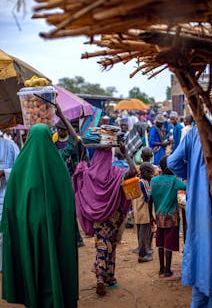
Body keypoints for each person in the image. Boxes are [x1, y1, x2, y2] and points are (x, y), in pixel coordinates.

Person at [1, 124, 78, 308]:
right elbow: (67, 202)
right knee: (53, 261)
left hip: (27, 228)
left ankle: (33, 298)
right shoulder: (57, 163)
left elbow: (12, 203)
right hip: (54, 227)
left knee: (31, 262)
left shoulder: (20, 165)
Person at [167, 95, 212, 307]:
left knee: (200, 254)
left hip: (196, 207)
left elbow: (172, 161)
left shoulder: (195, 133)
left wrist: (193, 178)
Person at [73, 142, 137, 296]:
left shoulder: (88, 174)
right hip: (113, 217)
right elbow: (134, 171)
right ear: (110, 158)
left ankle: (105, 276)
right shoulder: (116, 173)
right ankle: (106, 277)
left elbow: (78, 172)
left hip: (97, 218)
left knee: (102, 244)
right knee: (111, 244)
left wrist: (83, 151)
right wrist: (126, 152)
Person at [149, 156, 186, 280]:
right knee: (168, 244)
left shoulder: (154, 180)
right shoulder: (173, 180)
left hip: (159, 217)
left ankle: (161, 268)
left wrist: (150, 216)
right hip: (171, 217)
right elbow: (186, 186)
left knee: (160, 243)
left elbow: (150, 200)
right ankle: (168, 271)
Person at [53, 105, 85, 247]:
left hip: (70, 179)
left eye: (62, 128)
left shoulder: (68, 146)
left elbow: (76, 139)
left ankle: (77, 237)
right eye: (58, 128)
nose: (60, 131)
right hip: (56, 181)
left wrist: (61, 117)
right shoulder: (53, 144)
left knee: (70, 209)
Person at [0, 137, 19, 271]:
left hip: (6, 196)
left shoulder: (10, 145)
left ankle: (5, 266)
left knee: (4, 233)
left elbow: (20, 169)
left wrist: (4, 173)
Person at [132, 162, 155, 263]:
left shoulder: (137, 181)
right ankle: (142, 255)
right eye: (151, 173)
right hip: (144, 212)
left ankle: (143, 251)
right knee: (143, 235)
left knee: (141, 234)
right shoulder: (144, 183)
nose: (152, 175)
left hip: (138, 211)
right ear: (145, 173)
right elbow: (148, 198)